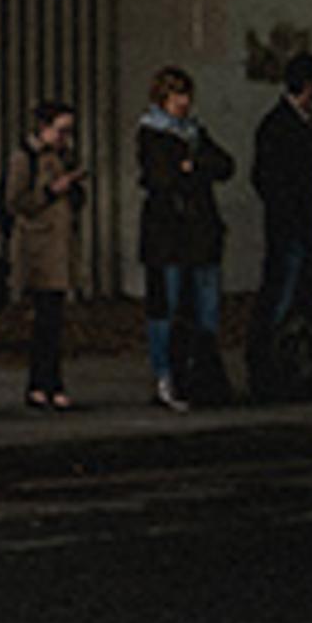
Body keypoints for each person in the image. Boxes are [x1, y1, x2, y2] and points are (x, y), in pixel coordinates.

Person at [135, 67, 235, 410]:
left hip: (194, 231)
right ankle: (168, 374)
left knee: (200, 306)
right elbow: (165, 178)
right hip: (171, 234)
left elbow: (225, 164)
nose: (184, 103)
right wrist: (194, 167)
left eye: (186, 96)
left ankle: (197, 373)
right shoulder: (154, 134)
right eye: (178, 96)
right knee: (168, 303)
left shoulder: (192, 133)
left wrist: (192, 166)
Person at [249, 52, 312, 397]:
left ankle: (305, 370)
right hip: (295, 230)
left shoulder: (311, 124)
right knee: (283, 299)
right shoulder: (278, 126)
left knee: (309, 302)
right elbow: (269, 181)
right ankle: (271, 371)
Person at [0, 98, 88, 410]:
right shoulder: (25, 157)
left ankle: (48, 381)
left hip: (58, 243)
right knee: (45, 319)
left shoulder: (63, 156)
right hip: (38, 246)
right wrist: (52, 191)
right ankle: (43, 382)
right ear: (44, 127)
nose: (64, 138)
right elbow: (14, 201)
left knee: (53, 319)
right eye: (60, 130)